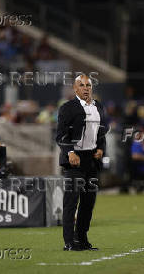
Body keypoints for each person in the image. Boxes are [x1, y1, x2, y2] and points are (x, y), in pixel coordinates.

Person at [56, 75, 107, 251]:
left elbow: (101, 133)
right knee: (71, 202)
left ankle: (82, 239)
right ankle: (69, 241)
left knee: (88, 202)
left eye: (88, 85)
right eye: (82, 85)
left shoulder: (98, 107)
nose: (86, 88)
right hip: (75, 161)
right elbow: (61, 135)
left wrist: (101, 149)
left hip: (91, 161)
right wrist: (70, 152)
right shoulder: (68, 108)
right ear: (75, 89)